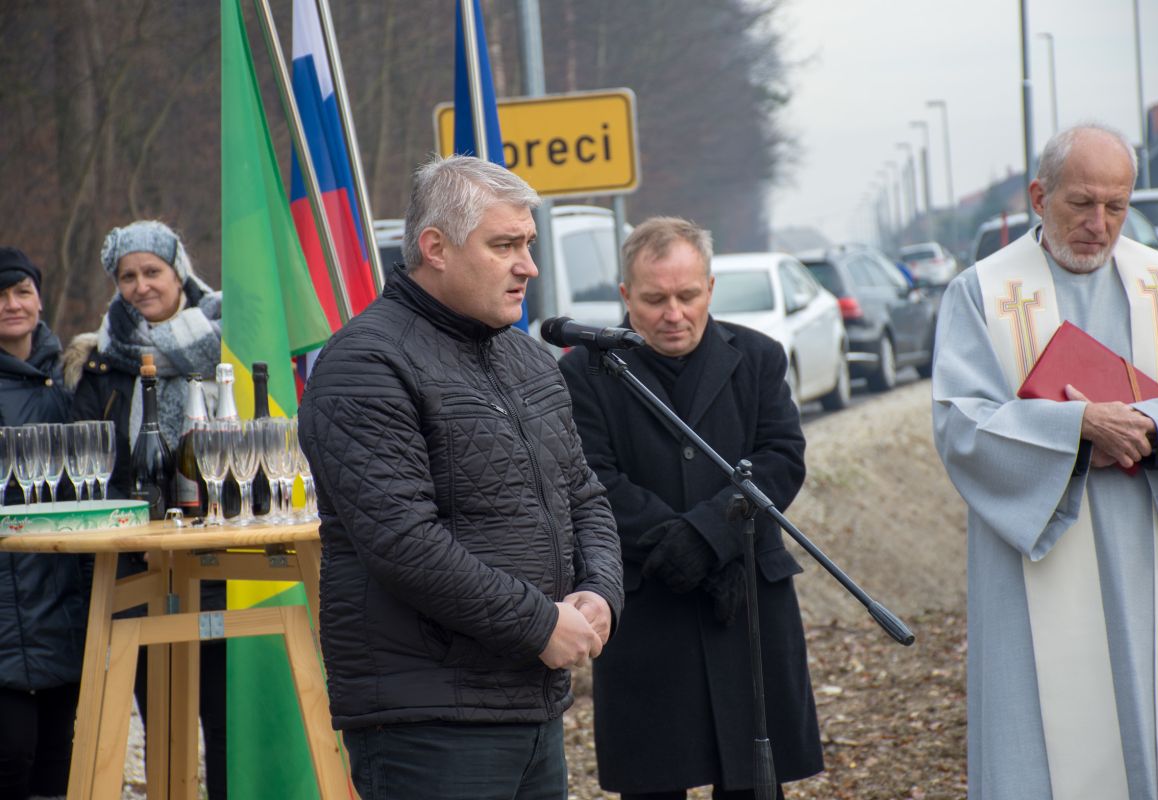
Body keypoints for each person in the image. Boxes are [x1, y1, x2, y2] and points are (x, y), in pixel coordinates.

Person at [296, 154, 624, 800]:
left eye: (528, 244)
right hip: (428, 720)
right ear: (435, 248)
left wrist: (600, 590)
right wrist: (538, 623)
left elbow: (584, 496)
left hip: (531, 703)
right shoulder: (365, 363)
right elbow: (403, 543)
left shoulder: (529, 359)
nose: (528, 266)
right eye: (505, 245)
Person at [932, 124, 1158, 799]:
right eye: (1081, 203)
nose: (1098, 225)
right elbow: (961, 423)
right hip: (1039, 553)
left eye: (1117, 206)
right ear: (1038, 196)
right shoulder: (981, 292)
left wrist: (1149, 427)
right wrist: (1076, 428)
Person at [558, 217, 824, 799]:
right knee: (654, 780)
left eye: (687, 295)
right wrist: (676, 542)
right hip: (647, 605)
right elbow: (591, 478)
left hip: (746, 599)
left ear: (710, 288)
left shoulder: (758, 357)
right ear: (626, 295)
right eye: (654, 299)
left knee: (754, 780)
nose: (673, 314)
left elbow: (781, 458)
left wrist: (709, 535)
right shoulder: (583, 372)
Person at [63, 220, 228, 799]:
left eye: (152, 271)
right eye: (127, 276)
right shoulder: (98, 362)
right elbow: (89, 471)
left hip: (223, 561)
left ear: (177, 272)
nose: (140, 286)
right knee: (162, 722)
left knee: (227, 719)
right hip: (139, 567)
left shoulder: (227, 340)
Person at [0, 247, 82, 800]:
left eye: (22, 291)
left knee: (60, 757)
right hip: (9, 602)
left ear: (40, 298)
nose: (12, 304)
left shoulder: (72, 373)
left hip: (63, 595)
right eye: (0, 295)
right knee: (12, 754)